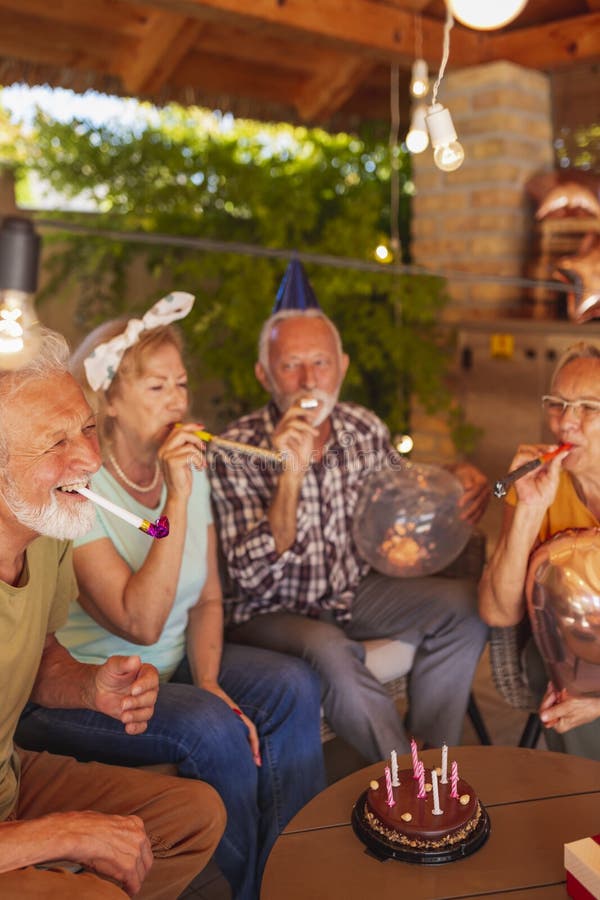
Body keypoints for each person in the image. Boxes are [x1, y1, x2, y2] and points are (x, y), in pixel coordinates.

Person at [16, 294, 326, 900]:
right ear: (109, 399)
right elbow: (141, 620)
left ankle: (297, 864)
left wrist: (208, 677)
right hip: (99, 680)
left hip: (178, 660)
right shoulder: (80, 492)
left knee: (294, 685)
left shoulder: (184, 467)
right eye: (158, 387)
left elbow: (208, 600)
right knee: (214, 731)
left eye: (181, 385)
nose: (179, 403)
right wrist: (178, 498)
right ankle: (253, 887)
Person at [209, 306, 490, 763]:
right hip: (269, 611)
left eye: (320, 362)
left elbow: (401, 507)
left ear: (342, 366)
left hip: (352, 592)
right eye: (290, 365)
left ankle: (436, 762)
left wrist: (452, 479)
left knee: (466, 608)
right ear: (264, 375)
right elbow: (251, 580)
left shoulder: (364, 428)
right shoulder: (235, 449)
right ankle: (410, 786)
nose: (308, 380)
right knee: (328, 647)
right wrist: (291, 475)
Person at [0, 327, 225, 898]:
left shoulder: (48, 531)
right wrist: (65, 834)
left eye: (87, 429)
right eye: (55, 444)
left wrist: (90, 685)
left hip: (10, 782)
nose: (89, 460)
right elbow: (141, 620)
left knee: (197, 815)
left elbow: (44, 654)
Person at [479, 340, 600, 760]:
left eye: (588, 407)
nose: (567, 422)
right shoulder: (540, 484)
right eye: (559, 404)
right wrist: (529, 508)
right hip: (569, 654)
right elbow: (498, 613)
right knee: (561, 668)